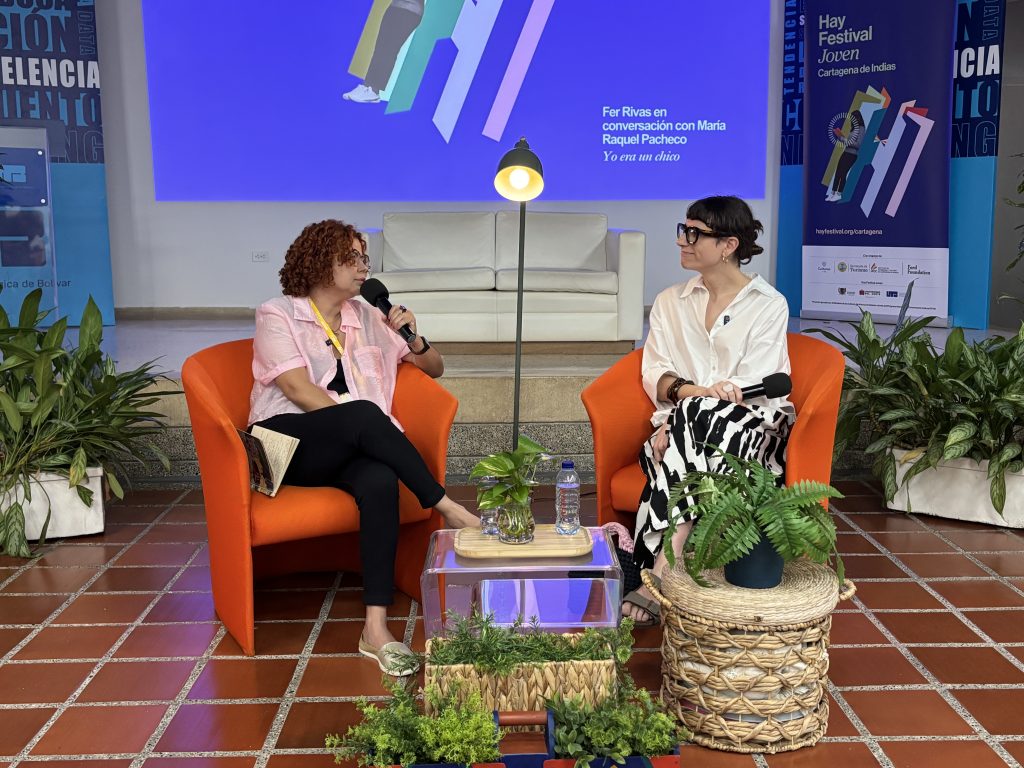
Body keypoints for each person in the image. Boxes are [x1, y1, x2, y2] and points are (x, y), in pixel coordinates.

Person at [248, 218, 478, 673]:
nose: (363, 267)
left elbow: (435, 368)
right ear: (320, 263)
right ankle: (446, 506)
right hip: (286, 443)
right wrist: (356, 425)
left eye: (364, 257)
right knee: (363, 413)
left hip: (350, 446)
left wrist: (414, 336)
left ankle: (375, 628)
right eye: (351, 258)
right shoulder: (277, 313)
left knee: (379, 480)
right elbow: (296, 389)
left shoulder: (370, 316)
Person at [621, 196, 794, 625]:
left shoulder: (768, 304)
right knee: (695, 413)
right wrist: (688, 405)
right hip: (683, 424)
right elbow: (655, 372)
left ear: (729, 245)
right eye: (683, 230)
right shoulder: (670, 301)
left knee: (696, 414)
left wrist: (684, 414)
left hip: (752, 430)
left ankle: (661, 568)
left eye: (695, 233)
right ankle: (668, 566)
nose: (683, 240)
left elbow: (758, 385)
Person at [343, 0, 425, 104]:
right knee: (380, 48)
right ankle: (367, 86)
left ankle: (374, 90)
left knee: (389, 49)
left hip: (409, 11)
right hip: (394, 8)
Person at [827, 109, 865, 202]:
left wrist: (845, 140)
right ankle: (832, 193)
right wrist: (839, 136)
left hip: (852, 155)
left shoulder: (861, 129)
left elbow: (858, 145)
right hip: (845, 152)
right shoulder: (854, 129)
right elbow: (847, 142)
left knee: (843, 173)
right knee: (838, 172)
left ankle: (839, 194)